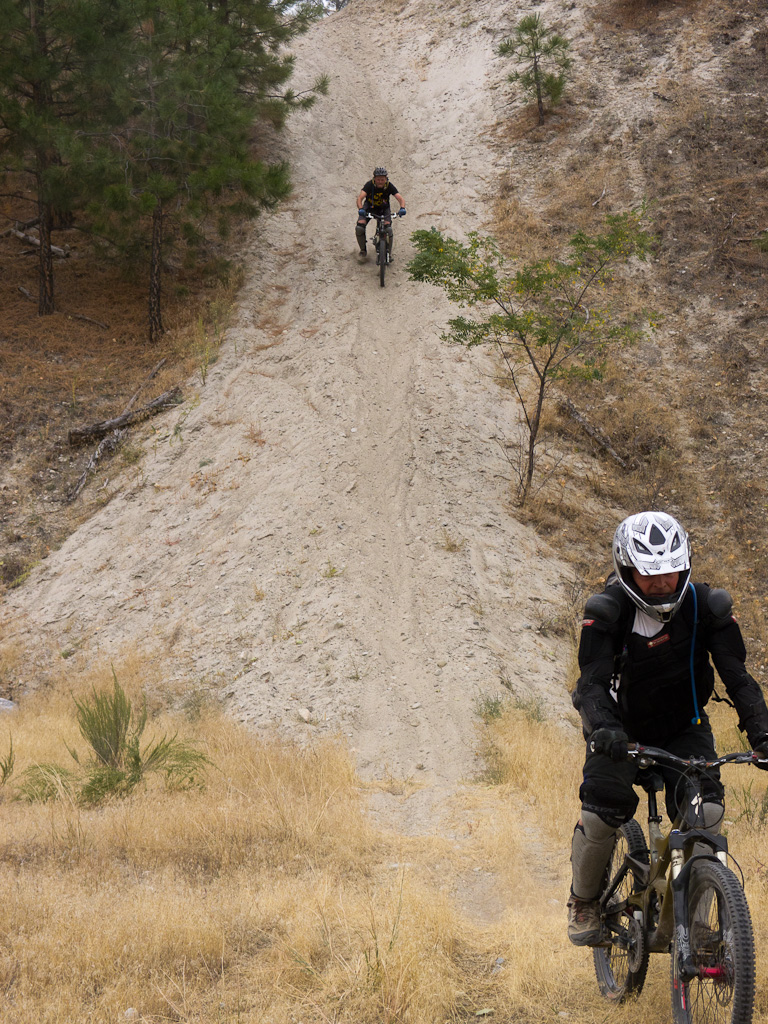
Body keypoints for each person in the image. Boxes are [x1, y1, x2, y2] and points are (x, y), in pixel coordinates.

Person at [567, 510, 768, 946]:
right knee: (602, 809)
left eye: (670, 572)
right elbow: (591, 685)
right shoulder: (607, 612)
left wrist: (763, 735)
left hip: (683, 725)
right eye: (649, 575)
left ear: (685, 566)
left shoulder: (706, 607)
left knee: (706, 815)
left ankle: (694, 926)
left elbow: (738, 678)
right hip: (619, 731)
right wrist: (604, 729)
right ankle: (583, 901)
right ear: (627, 570)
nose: (661, 583)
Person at [356, 167, 406, 261]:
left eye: (382, 179)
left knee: (388, 229)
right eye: (378, 179)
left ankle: (388, 254)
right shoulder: (369, 185)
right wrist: (361, 209)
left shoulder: (389, 186)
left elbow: (400, 198)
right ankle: (363, 250)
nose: (380, 182)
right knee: (360, 227)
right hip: (369, 207)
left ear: (386, 179)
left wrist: (402, 208)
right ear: (374, 178)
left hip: (384, 209)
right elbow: (360, 198)